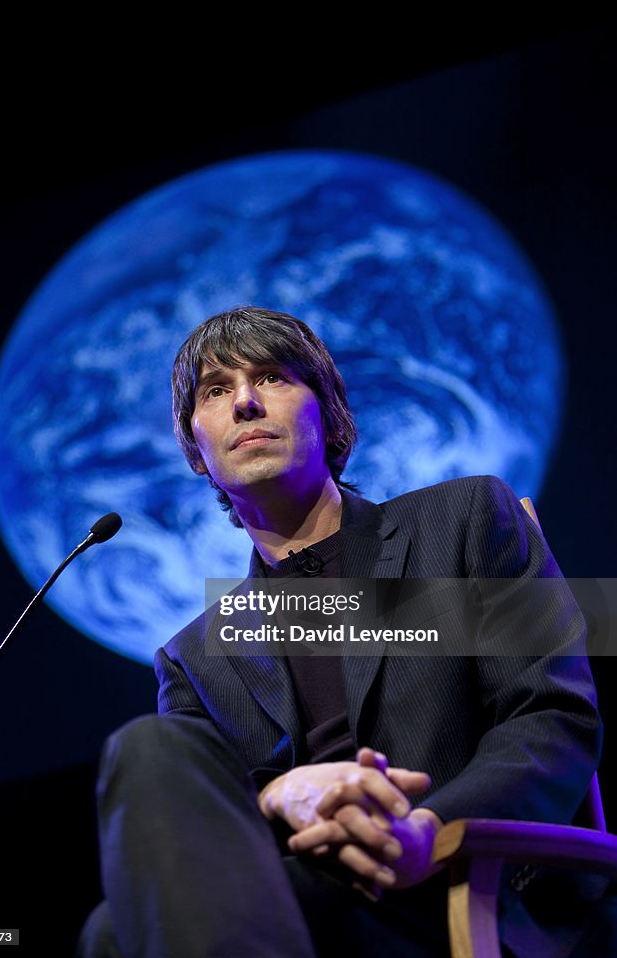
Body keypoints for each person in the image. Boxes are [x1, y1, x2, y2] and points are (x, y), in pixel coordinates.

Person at [77, 306, 604, 958]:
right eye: (215, 390)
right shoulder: (192, 657)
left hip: (456, 895)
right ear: (195, 451)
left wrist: (425, 829)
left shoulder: (463, 520)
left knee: (113, 936)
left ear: (326, 411)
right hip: (299, 910)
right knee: (142, 791)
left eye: (270, 378)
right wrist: (277, 793)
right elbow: (205, 834)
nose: (244, 403)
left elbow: (551, 717)